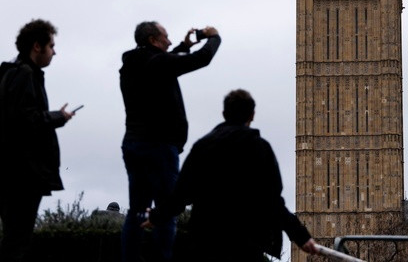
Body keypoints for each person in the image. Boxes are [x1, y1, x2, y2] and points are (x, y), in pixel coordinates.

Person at [147, 89, 317, 260]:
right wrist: (300, 236)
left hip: (206, 242)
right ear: (252, 115)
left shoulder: (202, 147)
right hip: (246, 244)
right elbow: (272, 201)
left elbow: (181, 194)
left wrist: (157, 216)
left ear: (224, 113)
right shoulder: (259, 147)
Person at [120, 21, 221, 262]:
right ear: (153, 40)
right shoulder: (158, 63)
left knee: (136, 210)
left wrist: (182, 46)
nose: (168, 40)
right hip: (159, 146)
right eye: (165, 37)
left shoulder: (132, 65)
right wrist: (214, 38)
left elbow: (162, 63)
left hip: (133, 144)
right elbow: (202, 59)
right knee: (166, 211)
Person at [0, 19, 75, 262]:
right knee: (17, 239)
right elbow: (25, 120)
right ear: (37, 46)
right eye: (51, 45)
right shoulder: (23, 75)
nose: (55, 51)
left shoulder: (13, 74)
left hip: (10, 173)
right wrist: (58, 117)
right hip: (21, 174)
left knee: (14, 237)